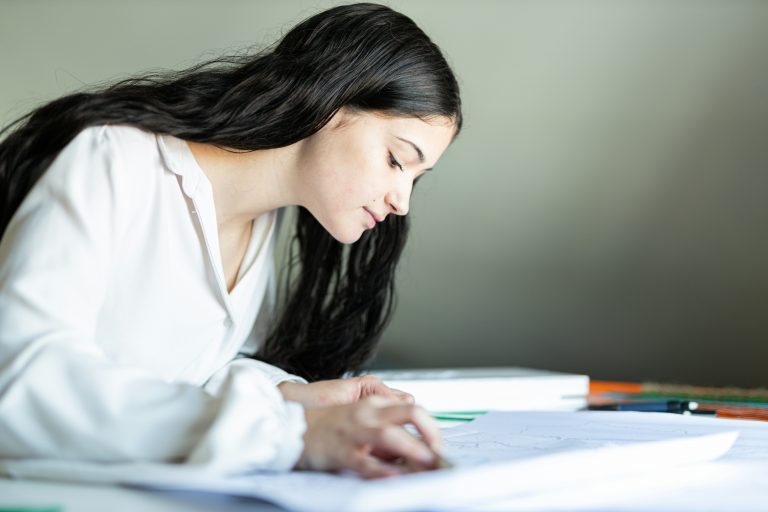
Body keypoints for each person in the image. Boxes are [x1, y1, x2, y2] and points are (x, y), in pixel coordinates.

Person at [0, 3, 461, 479]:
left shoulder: (265, 222)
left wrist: (293, 397)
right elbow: (20, 377)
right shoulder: (113, 160)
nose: (401, 202)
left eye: (417, 178)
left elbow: (184, 369)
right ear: (330, 99)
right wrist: (289, 434)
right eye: (396, 159)